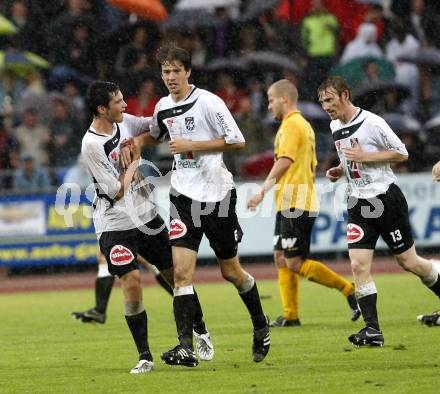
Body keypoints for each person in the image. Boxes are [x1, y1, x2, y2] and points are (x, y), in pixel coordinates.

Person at [120, 43, 270, 367]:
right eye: (165, 71)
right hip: (183, 196)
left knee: (231, 272)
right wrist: (136, 142)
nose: (171, 76)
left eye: (176, 70)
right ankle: (185, 347)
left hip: (217, 196)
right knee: (182, 275)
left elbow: (237, 141)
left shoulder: (209, 102)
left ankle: (260, 323)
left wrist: (194, 146)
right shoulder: (162, 105)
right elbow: (157, 134)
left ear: (188, 71)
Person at [81, 80, 213, 374]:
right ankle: (145, 356)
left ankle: (201, 329)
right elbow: (115, 191)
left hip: (146, 216)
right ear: (102, 109)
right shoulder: (91, 145)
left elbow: (154, 125)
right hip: (115, 224)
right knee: (132, 282)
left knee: (176, 275)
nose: (125, 105)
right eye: (118, 101)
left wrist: (177, 104)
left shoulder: (125, 122)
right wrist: (134, 162)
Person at [317, 76, 440, 347]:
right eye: (322, 101)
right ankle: (372, 330)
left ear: (345, 95)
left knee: (409, 263)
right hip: (359, 203)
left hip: (386, 199)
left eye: (330, 99)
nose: (326, 106)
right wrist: (342, 169)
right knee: (358, 264)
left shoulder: (372, 123)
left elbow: (401, 153)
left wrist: (365, 158)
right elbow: (349, 157)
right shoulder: (334, 125)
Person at [246, 79, 360, 328]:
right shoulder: (301, 125)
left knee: (295, 262)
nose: (268, 106)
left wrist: (262, 190)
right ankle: (291, 315)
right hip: (289, 200)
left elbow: (285, 160)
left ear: (284, 99)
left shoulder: (291, 125)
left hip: (296, 201)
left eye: (271, 100)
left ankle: (349, 290)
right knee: (280, 257)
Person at [71, 249, 173, 324]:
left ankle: (183, 301)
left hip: (126, 224)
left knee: (146, 258)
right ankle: (182, 300)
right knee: (106, 257)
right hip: (125, 224)